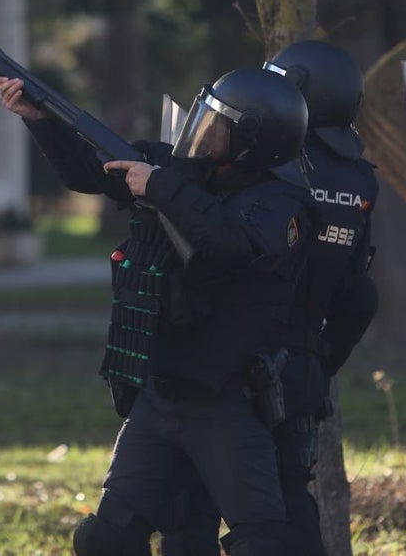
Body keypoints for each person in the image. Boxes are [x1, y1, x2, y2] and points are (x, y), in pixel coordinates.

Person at [0, 67, 318, 555]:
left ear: (252, 142)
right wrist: (41, 120)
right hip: (159, 398)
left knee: (263, 545)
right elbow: (88, 171)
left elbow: (233, 244)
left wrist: (160, 188)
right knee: (104, 540)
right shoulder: (178, 170)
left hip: (226, 402)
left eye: (218, 128)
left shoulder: (281, 203)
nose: (202, 135)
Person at [160, 41, 381, 556]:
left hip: (229, 362)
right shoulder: (359, 180)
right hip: (300, 368)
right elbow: (357, 293)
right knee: (287, 504)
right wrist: (320, 363)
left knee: (191, 503)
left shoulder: (262, 167)